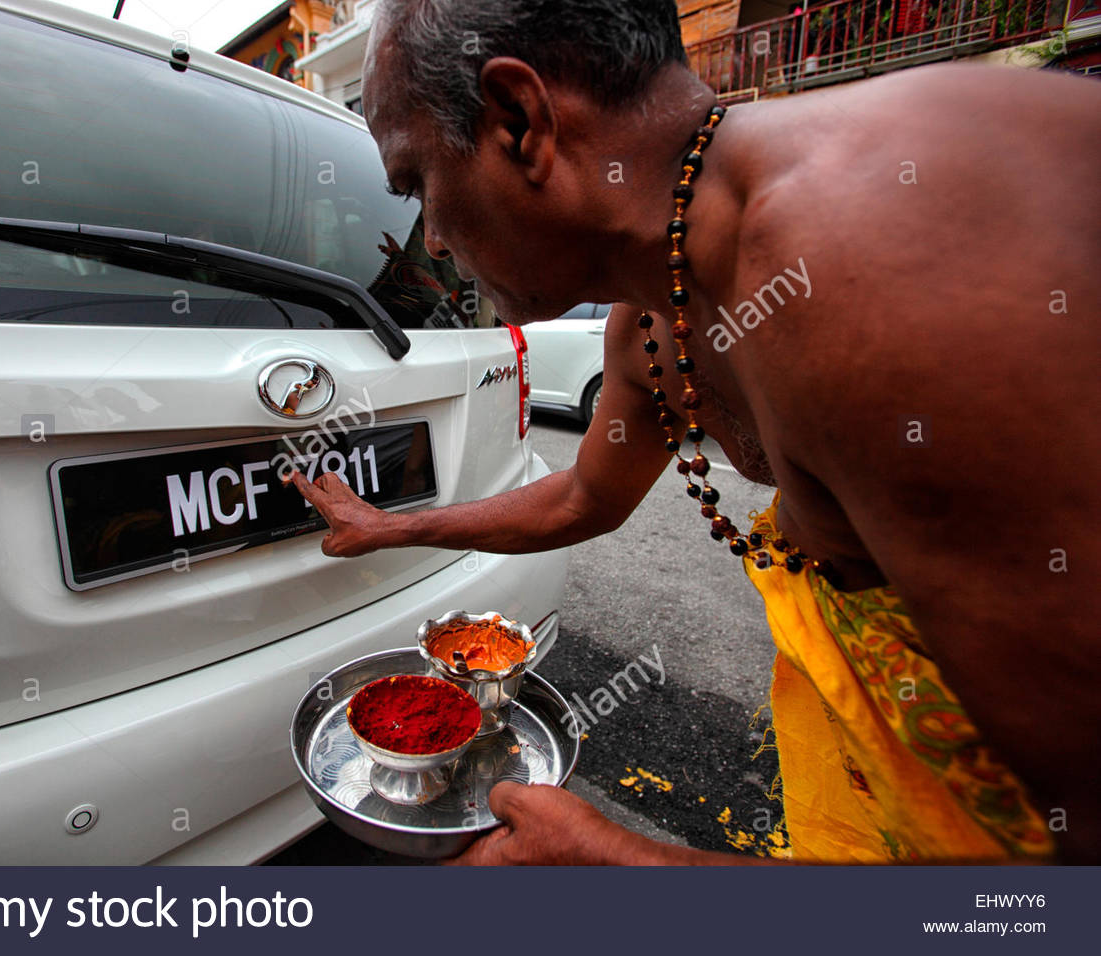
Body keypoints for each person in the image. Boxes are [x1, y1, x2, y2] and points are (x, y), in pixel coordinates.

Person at [289, 0, 1100, 864]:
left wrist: (623, 868)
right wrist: (391, 529)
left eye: (416, 184)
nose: (434, 240)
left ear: (518, 121)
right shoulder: (648, 317)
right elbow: (581, 498)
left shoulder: (869, 253)